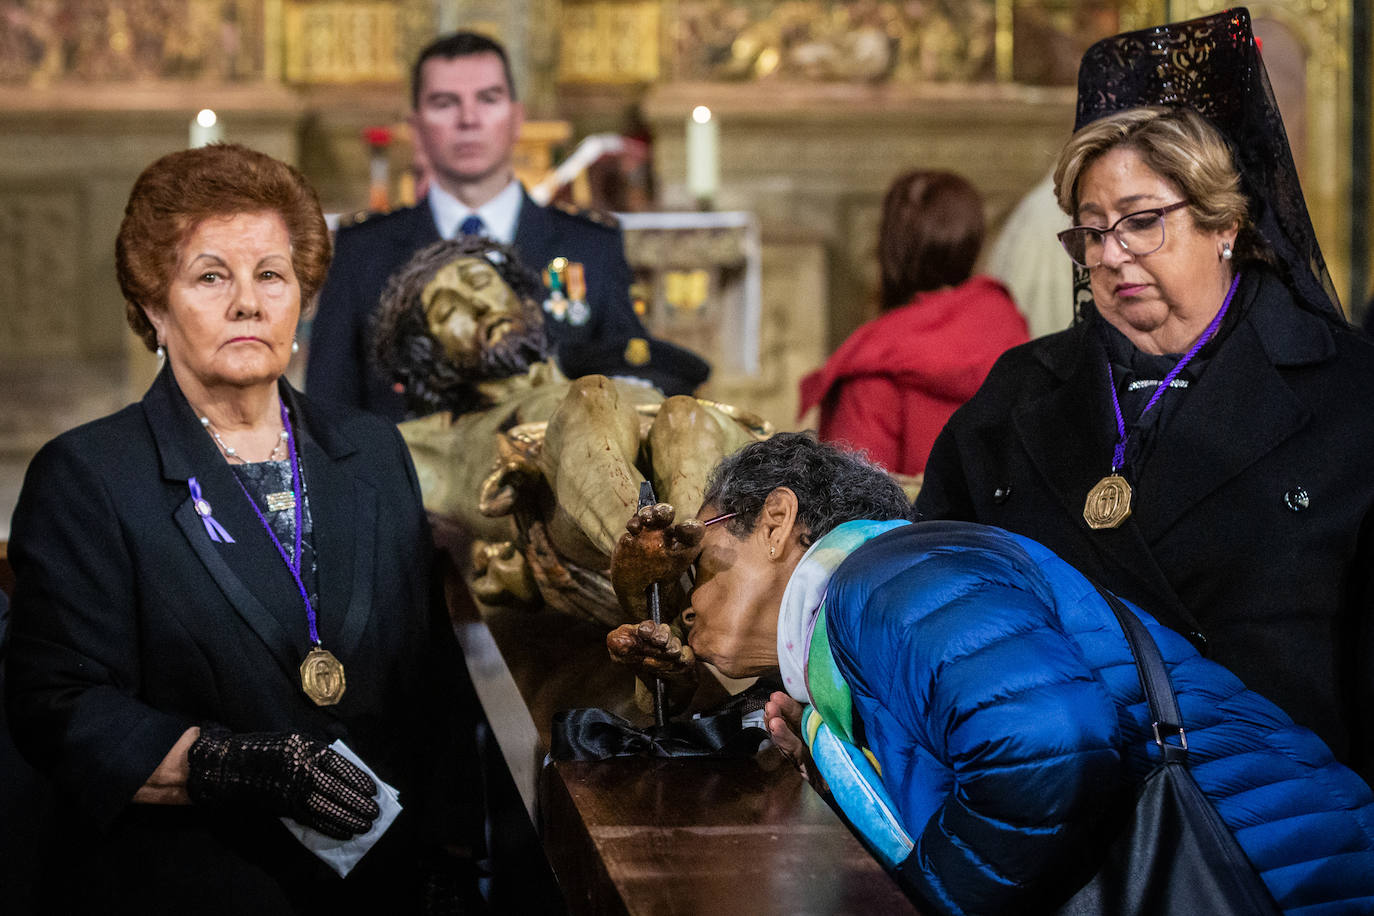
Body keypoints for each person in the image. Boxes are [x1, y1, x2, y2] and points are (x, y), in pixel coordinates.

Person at [608, 433, 1374, 914]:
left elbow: (1052, 742)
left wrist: (942, 887)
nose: (685, 603)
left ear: (777, 521)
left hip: (1284, 877)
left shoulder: (896, 574)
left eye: (699, 561)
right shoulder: (867, 609)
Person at [4, 144, 481, 912]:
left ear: (302, 297)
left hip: (380, 886)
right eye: (211, 276)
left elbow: (427, 679)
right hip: (198, 881)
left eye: (271, 275)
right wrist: (233, 764)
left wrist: (452, 854)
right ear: (155, 307)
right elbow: (57, 707)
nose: (248, 303)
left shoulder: (372, 451)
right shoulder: (90, 476)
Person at [915, 10, 1374, 786]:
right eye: (1091, 233)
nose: (1111, 255)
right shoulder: (1019, 394)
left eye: (1142, 223)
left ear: (1225, 223)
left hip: (1285, 817)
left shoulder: (1348, 393)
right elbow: (935, 601)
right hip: (1064, 807)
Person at [371, 235, 764, 627]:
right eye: (448, 311)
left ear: (522, 296)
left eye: (479, 283)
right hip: (568, 511)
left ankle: (692, 577)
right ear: (429, 355)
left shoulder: (630, 386)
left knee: (685, 414)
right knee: (590, 401)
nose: (478, 305)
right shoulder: (442, 439)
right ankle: (646, 555)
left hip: (697, 472)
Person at [306, 30, 688, 420]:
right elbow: (329, 408)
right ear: (416, 126)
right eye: (444, 102)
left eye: (487, 99)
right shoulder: (363, 250)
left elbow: (631, 383)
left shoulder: (590, 245)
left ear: (517, 117)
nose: (468, 119)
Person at [798, 170, 1026, 477]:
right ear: (974, 241)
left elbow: (851, 511)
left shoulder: (873, 360)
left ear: (888, 248)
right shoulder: (1009, 329)